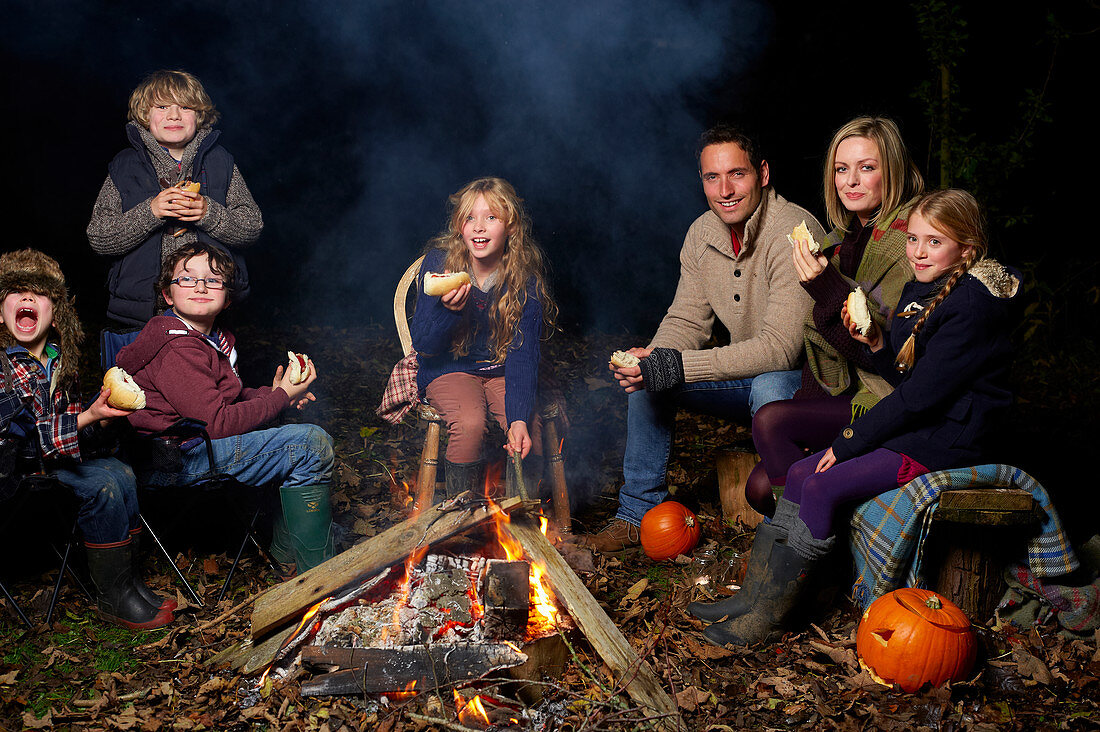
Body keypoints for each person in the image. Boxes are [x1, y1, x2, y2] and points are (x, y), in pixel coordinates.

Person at [696, 189, 1020, 646]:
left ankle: (774, 618)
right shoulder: (921, 288)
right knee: (803, 472)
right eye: (914, 239)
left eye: (935, 242)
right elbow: (911, 377)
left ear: (966, 250)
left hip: (951, 438)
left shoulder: (971, 308)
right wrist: (875, 347)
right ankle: (757, 597)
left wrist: (847, 443)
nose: (918, 252)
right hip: (921, 421)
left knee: (824, 481)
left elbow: (918, 399)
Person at [582, 124, 823, 553]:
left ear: (763, 174)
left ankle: (782, 528)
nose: (724, 189)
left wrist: (678, 366)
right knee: (649, 378)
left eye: (738, 174)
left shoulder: (796, 230)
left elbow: (780, 350)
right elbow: (687, 320)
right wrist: (653, 358)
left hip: (801, 388)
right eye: (712, 177)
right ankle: (637, 514)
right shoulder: (702, 233)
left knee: (770, 382)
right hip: (745, 382)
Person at [743, 117, 925, 518]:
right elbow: (819, 343)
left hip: (887, 399)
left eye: (867, 167)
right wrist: (809, 425)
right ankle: (817, 528)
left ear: (891, 170)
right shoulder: (837, 241)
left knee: (771, 421)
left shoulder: (911, 242)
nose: (851, 181)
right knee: (758, 488)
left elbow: (887, 357)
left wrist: (826, 286)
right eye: (842, 169)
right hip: (841, 397)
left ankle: (803, 550)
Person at [115, 243, 334, 574]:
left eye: (213, 280)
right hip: (174, 458)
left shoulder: (209, 339)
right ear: (167, 294)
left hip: (193, 445)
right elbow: (216, 423)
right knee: (309, 445)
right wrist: (279, 398)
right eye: (187, 279)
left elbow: (224, 397)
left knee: (304, 443)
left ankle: (288, 560)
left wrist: (276, 394)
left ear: (227, 297)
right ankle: (318, 577)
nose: (201, 286)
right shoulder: (176, 346)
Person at [0, 249, 173, 630]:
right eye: (16, 291)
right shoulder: (3, 367)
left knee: (120, 471)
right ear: (0, 311)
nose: (28, 299)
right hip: (13, 473)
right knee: (102, 484)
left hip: (51, 464)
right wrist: (85, 418)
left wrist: (101, 418)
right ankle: (114, 600)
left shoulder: (61, 361)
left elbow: (73, 433)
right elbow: (18, 445)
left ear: (56, 313)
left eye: (39, 293)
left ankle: (126, 583)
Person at [410, 177, 558, 498]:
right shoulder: (439, 265)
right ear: (458, 226)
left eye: (491, 217)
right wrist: (448, 312)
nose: (479, 227)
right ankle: (461, 521)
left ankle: (520, 529)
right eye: (469, 218)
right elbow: (423, 344)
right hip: (449, 368)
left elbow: (523, 354)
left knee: (527, 428)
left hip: (502, 369)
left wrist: (517, 417)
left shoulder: (524, 279)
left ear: (511, 226)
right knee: (470, 423)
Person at [87, 69, 262, 328]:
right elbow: (99, 237)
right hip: (144, 314)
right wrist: (151, 212)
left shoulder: (220, 162)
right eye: (162, 106)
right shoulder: (125, 167)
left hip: (210, 313)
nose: (174, 115)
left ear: (200, 115)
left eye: (185, 107)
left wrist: (208, 214)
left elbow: (251, 227)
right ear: (145, 115)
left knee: (209, 369)